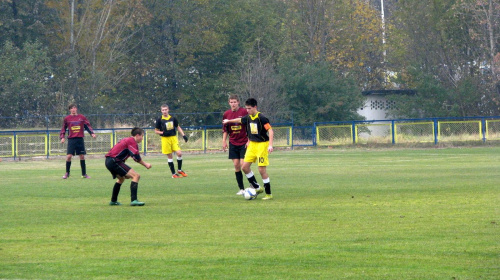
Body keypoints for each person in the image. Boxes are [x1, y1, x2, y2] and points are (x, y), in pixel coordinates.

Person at [222, 98, 274, 200]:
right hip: (252, 145)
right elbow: (239, 119)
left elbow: (270, 131)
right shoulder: (248, 117)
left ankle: (268, 193)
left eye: (249, 108)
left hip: (262, 145)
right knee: (244, 167)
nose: (247, 110)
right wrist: (228, 121)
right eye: (246, 108)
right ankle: (257, 187)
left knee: (261, 170)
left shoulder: (262, 117)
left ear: (255, 107)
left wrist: (270, 145)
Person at [105, 127, 152, 206]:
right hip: (114, 161)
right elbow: (136, 157)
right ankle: (134, 200)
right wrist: (145, 164)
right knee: (136, 176)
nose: (142, 138)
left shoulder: (127, 140)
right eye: (142, 136)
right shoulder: (132, 141)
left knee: (121, 178)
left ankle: (113, 201)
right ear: (137, 135)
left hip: (108, 161)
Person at [59, 103, 96, 179]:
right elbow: (63, 129)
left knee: (82, 156)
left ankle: (84, 174)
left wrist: (92, 133)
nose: (73, 109)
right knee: (69, 156)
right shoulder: (67, 118)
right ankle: (67, 173)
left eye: (74, 108)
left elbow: (87, 126)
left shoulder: (81, 117)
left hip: (79, 139)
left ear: (76, 109)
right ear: (70, 110)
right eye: (71, 108)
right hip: (71, 139)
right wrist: (62, 137)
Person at [222, 94, 248, 195]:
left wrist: (249, 140)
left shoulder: (244, 112)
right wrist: (224, 141)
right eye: (231, 102)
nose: (233, 104)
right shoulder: (226, 114)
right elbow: (225, 130)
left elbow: (249, 126)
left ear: (238, 102)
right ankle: (241, 188)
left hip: (244, 142)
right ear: (229, 103)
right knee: (236, 165)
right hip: (233, 143)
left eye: (235, 102)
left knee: (243, 165)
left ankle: (252, 184)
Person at [155, 104, 189, 178]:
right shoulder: (159, 120)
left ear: (168, 110)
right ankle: (173, 174)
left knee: (179, 153)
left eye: (165, 109)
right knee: (170, 156)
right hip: (165, 139)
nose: (164, 111)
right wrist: (163, 132)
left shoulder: (173, 118)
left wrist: (183, 135)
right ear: (161, 111)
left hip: (173, 138)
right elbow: (156, 131)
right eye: (163, 110)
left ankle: (179, 170)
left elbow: (178, 127)